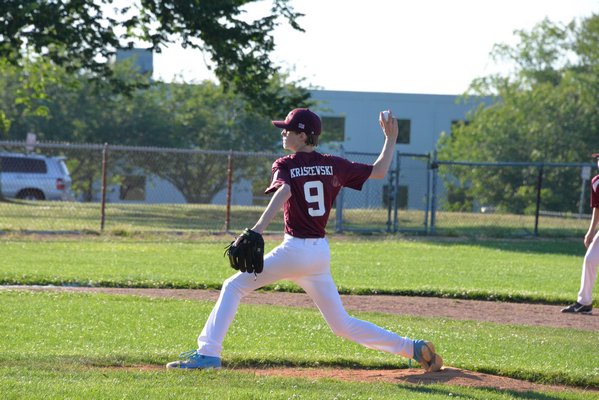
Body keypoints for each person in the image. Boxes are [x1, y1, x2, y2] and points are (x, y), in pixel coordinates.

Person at [167, 108, 443, 372]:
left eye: (288, 130)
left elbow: (284, 190)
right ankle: (413, 348)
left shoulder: (285, 163)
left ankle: (208, 353)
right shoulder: (333, 164)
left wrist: (258, 229)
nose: (283, 133)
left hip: (295, 250)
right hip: (319, 254)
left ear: (303, 135)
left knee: (233, 286)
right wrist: (390, 139)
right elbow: (379, 170)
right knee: (341, 325)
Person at [561, 153, 599, 315]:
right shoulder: (596, 182)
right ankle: (584, 302)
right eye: (598, 159)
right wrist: (590, 232)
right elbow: (597, 208)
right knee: (590, 259)